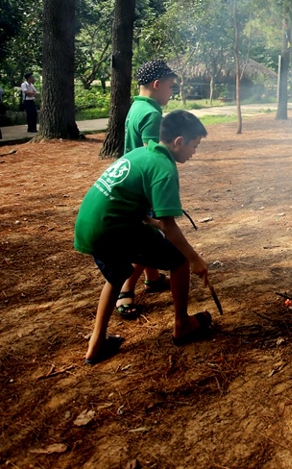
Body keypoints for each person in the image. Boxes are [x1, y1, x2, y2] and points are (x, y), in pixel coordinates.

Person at [76, 109, 212, 365]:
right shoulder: (164, 169)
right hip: (112, 228)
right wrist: (195, 259)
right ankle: (183, 325)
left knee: (117, 275)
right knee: (179, 261)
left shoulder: (141, 152)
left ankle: (96, 344)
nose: (195, 152)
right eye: (195, 145)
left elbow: (129, 199)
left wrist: (150, 222)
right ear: (179, 142)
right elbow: (171, 228)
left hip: (89, 223)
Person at [115, 59, 179, 319]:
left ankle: (152, 279)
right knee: (151, 240)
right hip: (144, 185)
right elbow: (152, 157)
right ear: (157, 83)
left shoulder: (137, 106)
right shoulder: (152, 113)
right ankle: (125, 288)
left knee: (147, 236)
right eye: (170, 86)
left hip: (132, 180)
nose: (171, 92)